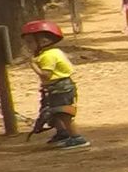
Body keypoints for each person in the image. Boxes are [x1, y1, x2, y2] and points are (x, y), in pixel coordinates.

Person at [21, 19, 87, 150]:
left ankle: (77, 138)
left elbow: (45, 75)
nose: (27, 45)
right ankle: (63, 133)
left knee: (63, 113)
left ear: (44, 41)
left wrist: (33, 65)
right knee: (52, 112)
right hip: (55, 88)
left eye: (30, 42)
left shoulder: (48, 56)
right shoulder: (50, 53)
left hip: (60, 88)